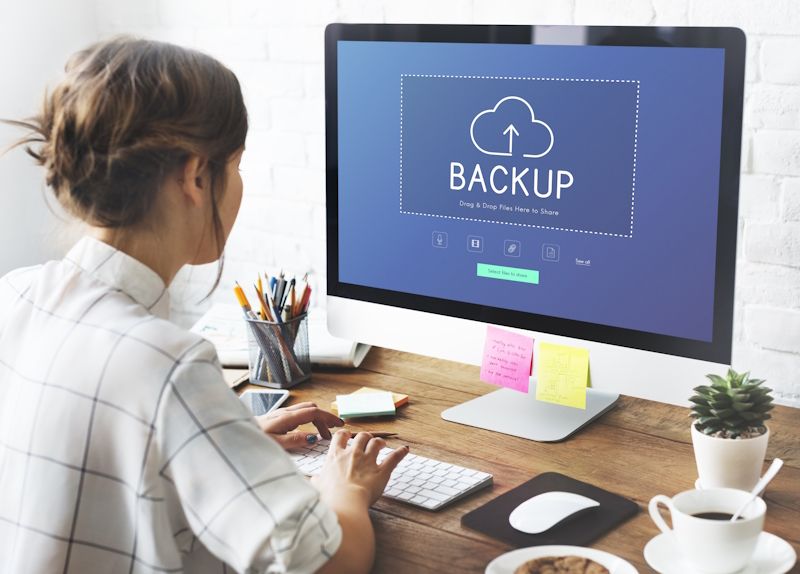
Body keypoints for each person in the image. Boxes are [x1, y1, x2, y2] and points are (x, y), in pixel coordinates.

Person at [0, 37, 407, 574]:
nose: (237, 185)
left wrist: (220, 440)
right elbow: (329, 563)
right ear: (195, 176)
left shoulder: (15, 294)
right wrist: (344, 488)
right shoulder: (168, 364)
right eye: (235, 166)